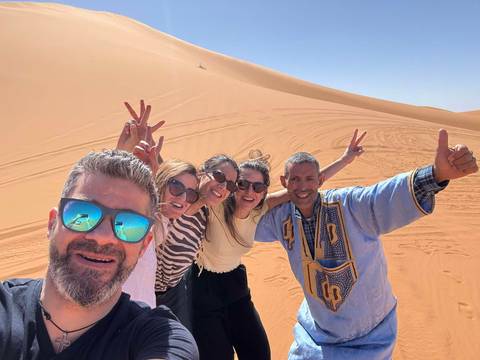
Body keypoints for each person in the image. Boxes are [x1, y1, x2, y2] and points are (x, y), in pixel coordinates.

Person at [254, 129, 478, 359]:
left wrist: (436, 175)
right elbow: (241, 222)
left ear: (320, 179)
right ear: (284, 182)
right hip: (315, 336)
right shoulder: (281, 218)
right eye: (295, 180)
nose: (303, 187)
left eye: (310, 178)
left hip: (370, 338)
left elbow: (383, 196)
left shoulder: (350, 205)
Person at [0, 149, 199, 359]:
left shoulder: (160, 338)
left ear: (143, 246)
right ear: (52, 223)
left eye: (129, 225)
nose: (103, 237)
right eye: (83, 214)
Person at [191, 131, 367, 360]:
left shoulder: (261, 208)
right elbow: (180, 192)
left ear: (264, 191)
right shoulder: (215, 205)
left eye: (257, 187)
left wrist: (345, 159)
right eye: (242, 184)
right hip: (202, 289)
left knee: (259, 353)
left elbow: (305, 186)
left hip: (236, 288)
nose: (249, 192)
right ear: (233, 186)